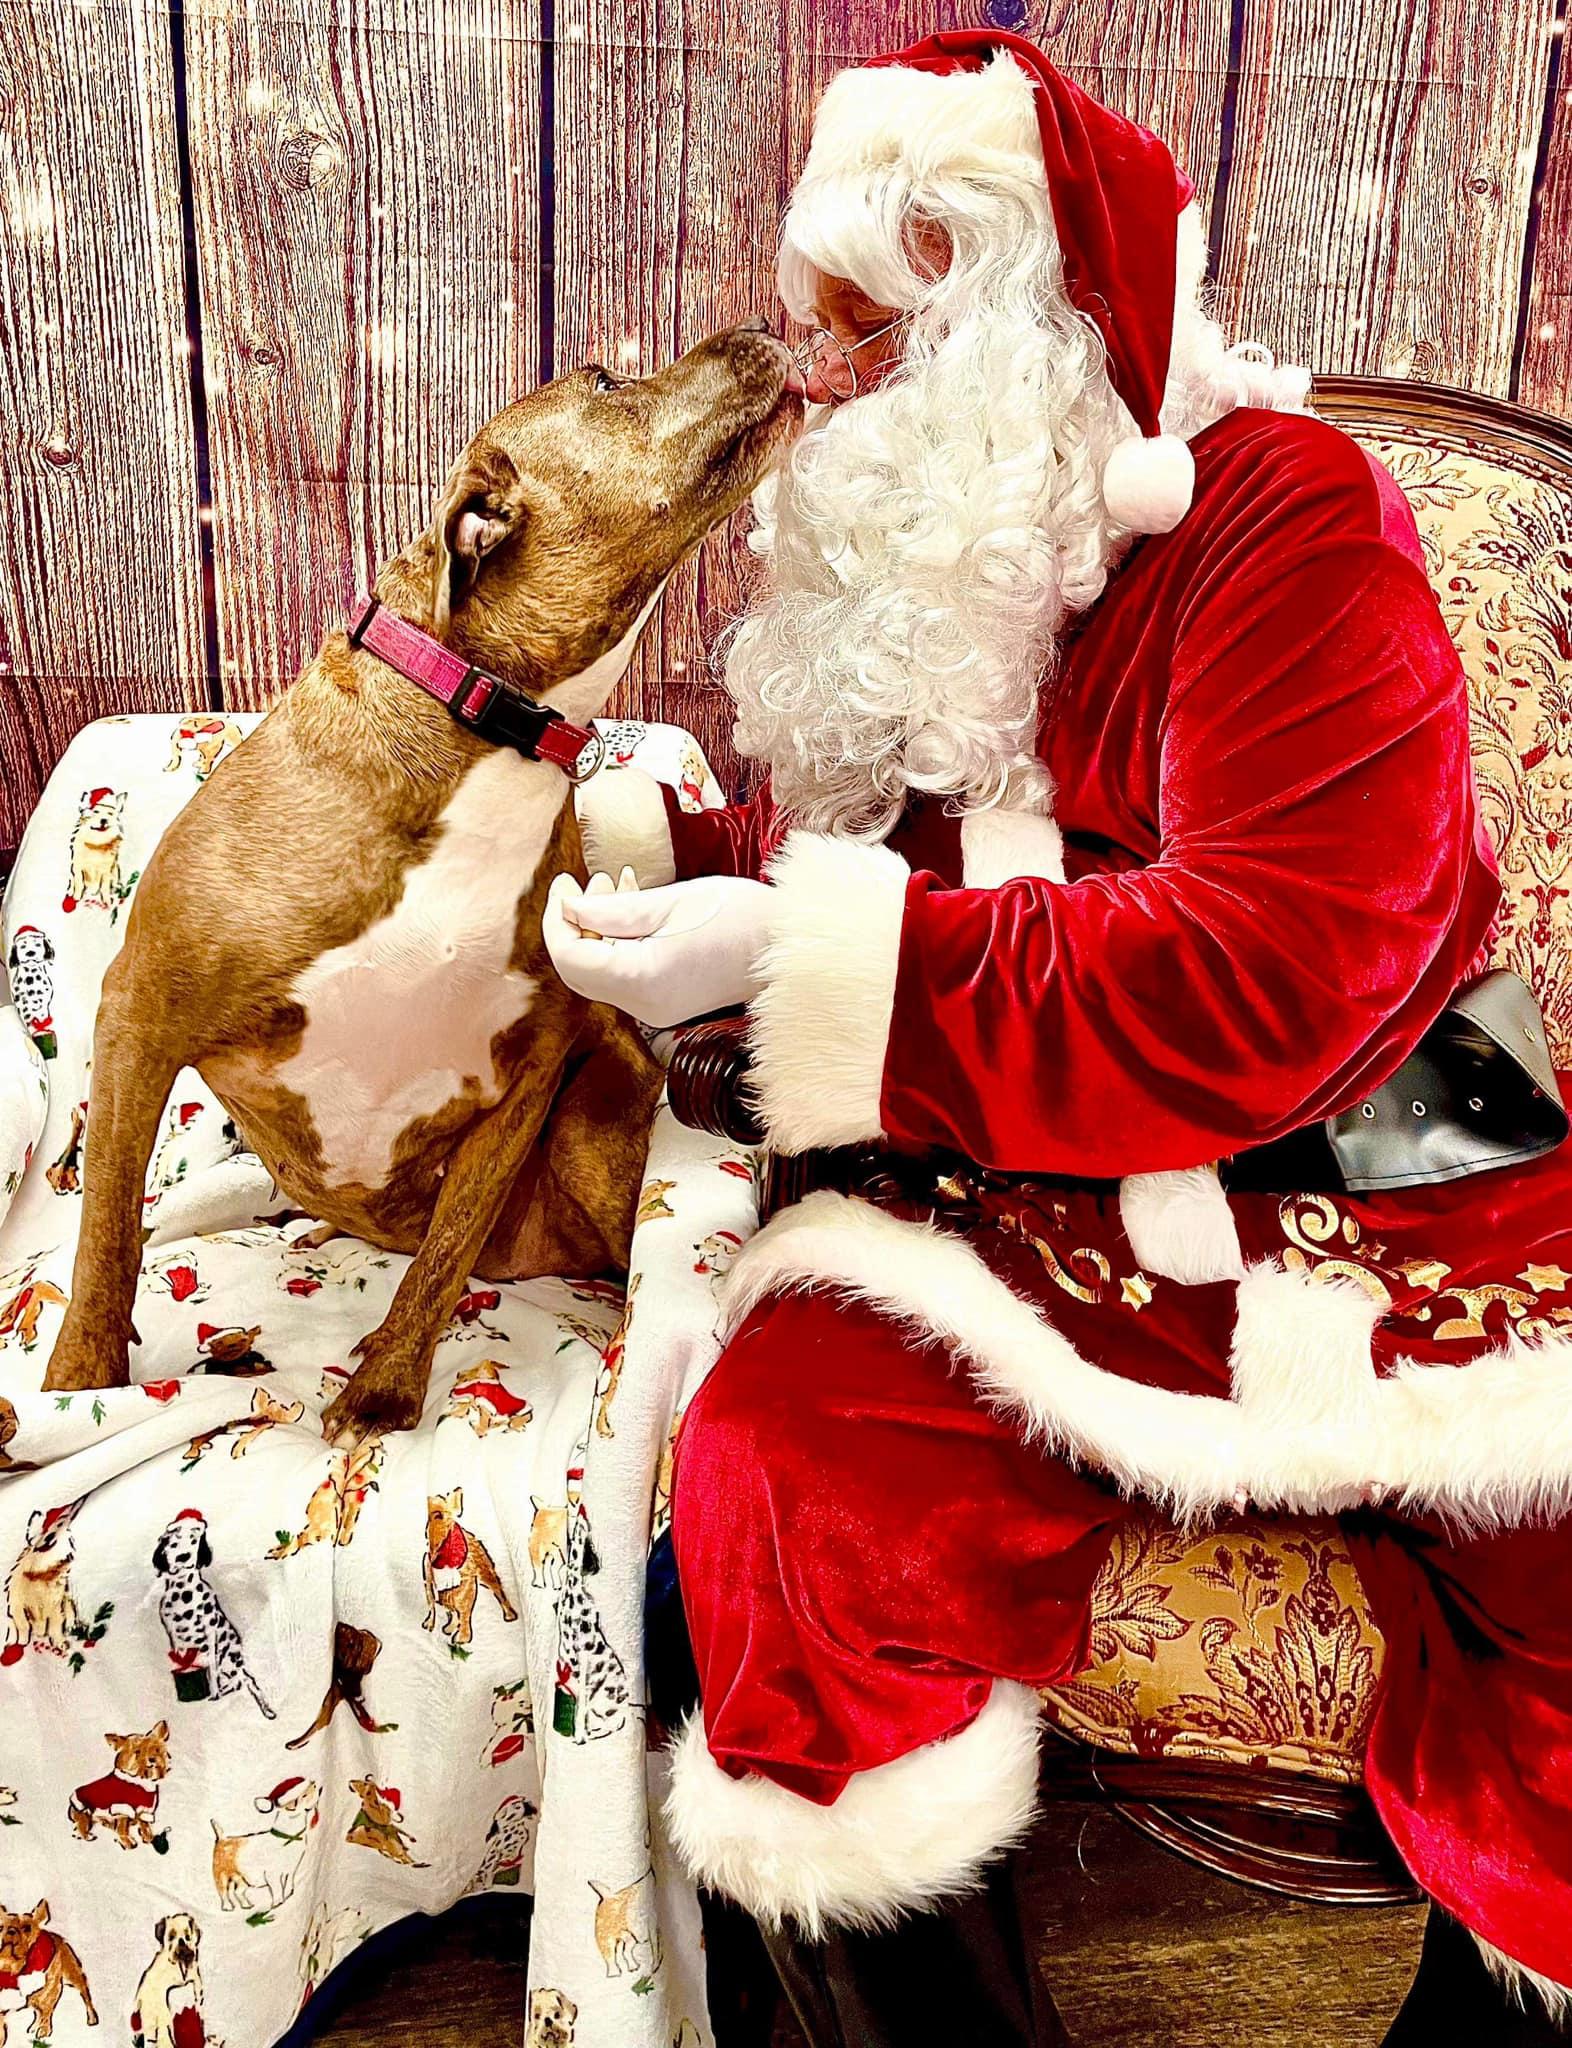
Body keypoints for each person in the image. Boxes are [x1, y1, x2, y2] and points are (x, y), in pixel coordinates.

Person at [545, 27, 1572, 2046]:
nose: (821, 394)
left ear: (1035, 333)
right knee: (774, 1479)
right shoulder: (942, 569)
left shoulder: (1292, 516)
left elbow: (1269, 973)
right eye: (810, 334)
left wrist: (809, 954)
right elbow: (893, 848)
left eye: (873, 341)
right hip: (1036, 1206)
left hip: (1403, 1173)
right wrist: (666, 853)